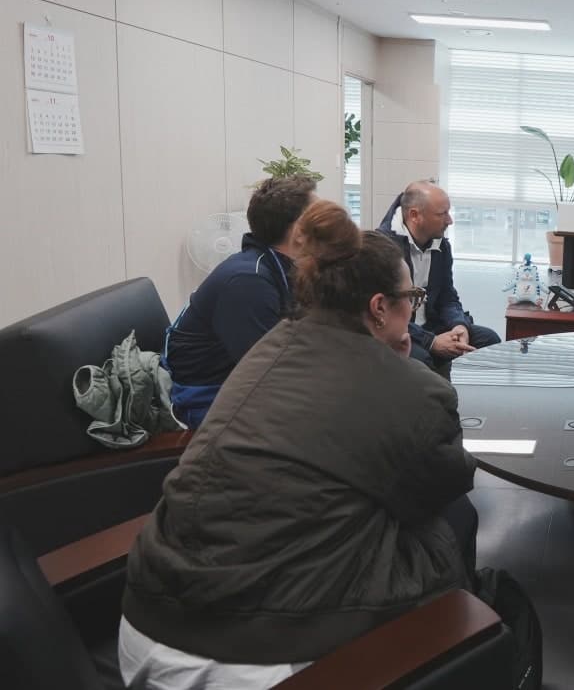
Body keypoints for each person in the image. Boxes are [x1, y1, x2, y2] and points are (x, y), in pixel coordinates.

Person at [120, 201, 477, 687]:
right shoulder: (413, 388)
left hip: (145, 621)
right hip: (253, 658)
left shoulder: (268, 346)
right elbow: (444, 483)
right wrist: (404, 370)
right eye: (410, 297)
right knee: (448, 522)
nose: (414, 308)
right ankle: (462, 647)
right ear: (379, 307)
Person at [164, 175, 316, 427]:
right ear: (299, 233)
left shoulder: (273, 266)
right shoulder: (248, 282)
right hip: (205, 399)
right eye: (319, 217)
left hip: (233, 384)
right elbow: (269, 373)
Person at [378, 181, 500, 371]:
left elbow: (447, 296)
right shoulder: (383, 250)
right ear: (415, 215)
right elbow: (387, 314)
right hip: (399, 331)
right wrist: (431, 342)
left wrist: (459, 325)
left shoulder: (442, 246)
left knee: (489, 341)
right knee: (422, 360)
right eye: (442, 214)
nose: (450, 220)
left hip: (433, 326)